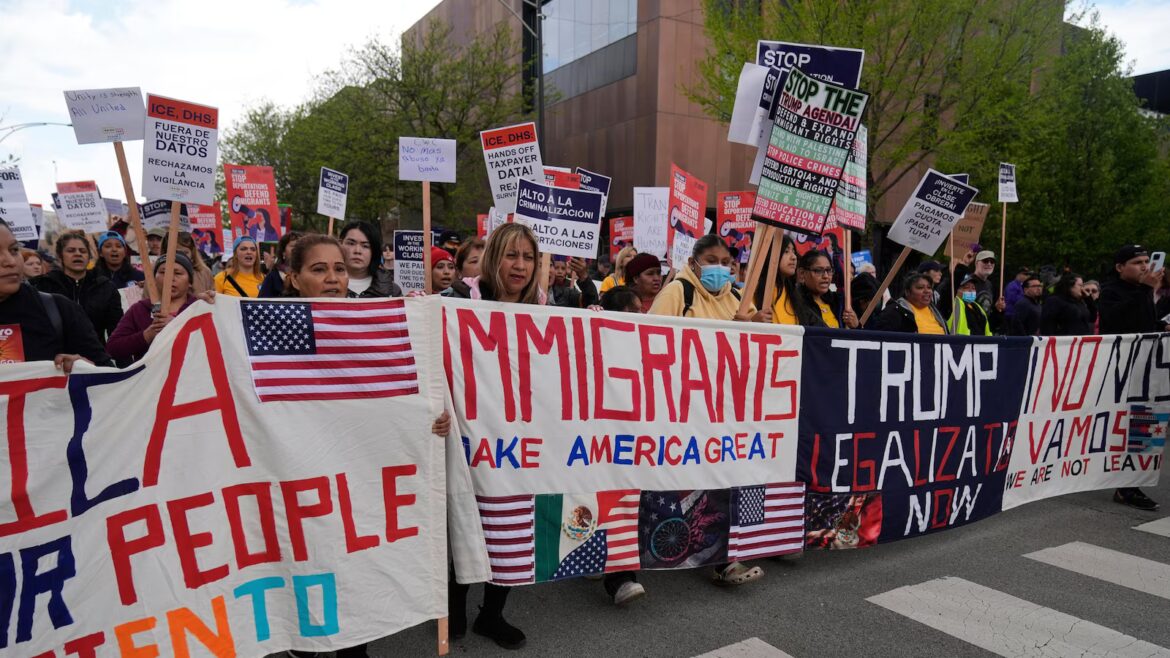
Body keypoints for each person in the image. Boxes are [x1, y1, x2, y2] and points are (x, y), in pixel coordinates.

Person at [280, 234, 452, 658]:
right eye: (318, 269)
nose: (333, 277)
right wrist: (209, 317)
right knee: (307, 573)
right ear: (295, 278)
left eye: (339, 268)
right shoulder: (272, 326)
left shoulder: (374, 324)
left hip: (359, 476)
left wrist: (430, 418)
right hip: (299, 478)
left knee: (355, 573)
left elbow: (400, 396)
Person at [649, 234, 770, 586]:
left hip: (723, 406)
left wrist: (758, 330)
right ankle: (649, 549)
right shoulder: (678, 293)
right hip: (682, 405)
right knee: (675, 483)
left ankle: (723, 557)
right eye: (712, 261)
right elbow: (652, 338)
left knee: (721, 481)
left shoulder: (738, 298)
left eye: (726, 262)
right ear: (695, 262)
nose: (720, 268)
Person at [447, 222, 538, 649]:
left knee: (511, 528)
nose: (520, 265)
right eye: (511, 255)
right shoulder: (458, 301)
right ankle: (454, 609)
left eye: (528, 256)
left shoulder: (545, 308)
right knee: (464, 523)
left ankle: (492, 615)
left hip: (519, 440)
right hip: (467, 435)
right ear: (493, 257)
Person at [1098, 244, 1165, 512]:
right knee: (1124, 428)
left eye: (1147, 261)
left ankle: (1131, 485)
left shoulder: (1143, 293)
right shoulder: (1111, 292)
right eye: (1138, 262)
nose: (1145, 266)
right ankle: (1125, 485)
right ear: (1119, 267)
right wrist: (1147, 290)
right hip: (1122, 373)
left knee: (1143, 428)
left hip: (1146, 371)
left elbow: (1143, 324)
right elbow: (1117, 322)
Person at [0, 220, 111, 369]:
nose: (10, 261)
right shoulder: (45, 282)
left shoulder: (58, 309)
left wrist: (86, 368)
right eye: (71, 250)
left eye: (14, 250)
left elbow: (109, 376)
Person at [106, 254, 200, 364]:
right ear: (154, 279)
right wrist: (147, 335)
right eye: (163, 272)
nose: (170, 278)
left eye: (178, 273)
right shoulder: (139, 309)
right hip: (150, 379)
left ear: (190, 282)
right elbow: (112, 348)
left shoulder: (199, 308)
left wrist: (177, 326)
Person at [33, 230, 123, 344]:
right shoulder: (43, 286)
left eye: (83, 251)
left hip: (95, 356)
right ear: (60, 256)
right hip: (56, 357)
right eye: (71, 251)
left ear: (89, 257)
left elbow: (117, 331)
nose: (78, 254)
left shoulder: (105, 287)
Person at [793, 251, 858, 328]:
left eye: (829, 270)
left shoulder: (839, 303)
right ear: (802, 273)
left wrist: (856, 325)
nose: (826, 276)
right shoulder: (795, 302)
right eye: (818, 271)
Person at [339, 220, 402, 298]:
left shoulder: (392, 291)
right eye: (351, 243)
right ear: (340, 244)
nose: (357, 251)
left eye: (365, 246)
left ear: (374, 251)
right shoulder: (325, 286)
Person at [751, 234, 801, 325]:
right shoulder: (751, 291)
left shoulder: (795, 294)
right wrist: (752, 321)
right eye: (786, 251)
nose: (794, 257)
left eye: (794, 251)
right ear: (770, 255)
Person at [873, 273, 948, 334]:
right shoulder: (894, 312)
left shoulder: (936, 311)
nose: (927, 291)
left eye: (929, 287)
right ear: (907, 292)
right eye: (920, 287)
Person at [258, 230, 302, 298]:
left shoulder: (308, 275)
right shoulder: (273, 276)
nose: (297, 250)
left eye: (300, 247)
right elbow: (262, 304)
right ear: (283, 252)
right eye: (293, 246)